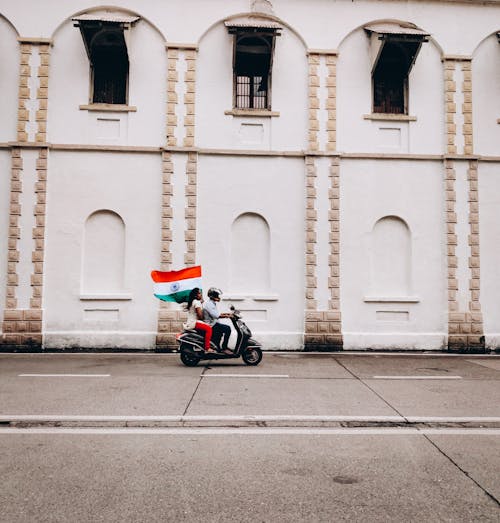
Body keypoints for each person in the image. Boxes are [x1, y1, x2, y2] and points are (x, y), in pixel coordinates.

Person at [183, 287, 214, 353]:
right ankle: (207, 348)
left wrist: (201, 303)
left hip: (190, 322)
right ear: (195, 295)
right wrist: (205, 315)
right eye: (199, 293)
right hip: (194, 323)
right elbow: (200, 316)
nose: (201, 295)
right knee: (209, 329)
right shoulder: (197, 302)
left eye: (201, 293)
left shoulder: (194, 301)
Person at [203, 287, 233, 354]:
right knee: (227, 328)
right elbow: (217, 315)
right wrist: (228, 316)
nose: (218, 297)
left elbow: (217, 313)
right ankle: (224, 348)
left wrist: (228, 314)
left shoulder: (212, 303)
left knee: (220, 332)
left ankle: (217, 347)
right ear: (213, 296)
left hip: (213, 323)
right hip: (211, 325)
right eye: (217, 295)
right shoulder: (209, 304)